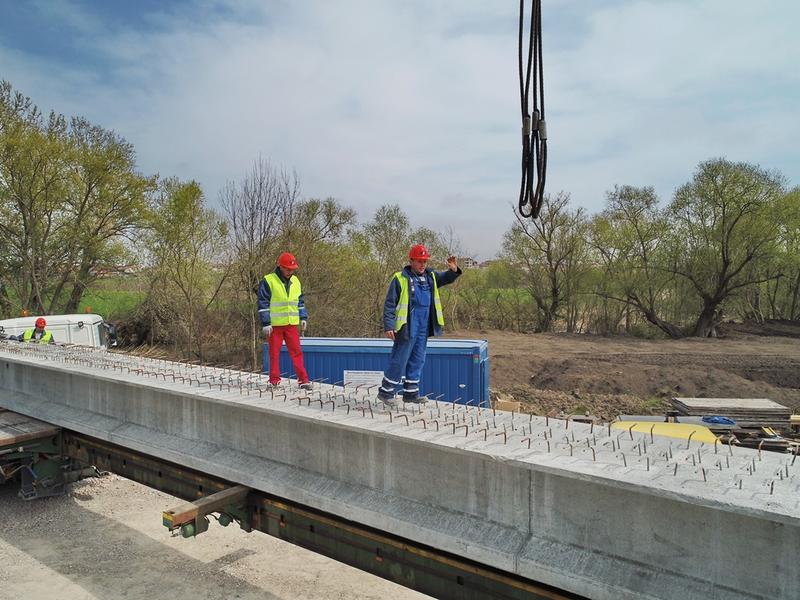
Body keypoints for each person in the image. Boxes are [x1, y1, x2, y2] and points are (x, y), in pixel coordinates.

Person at [378, 245, 461, 406]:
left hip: (424, 326)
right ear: (411, 261)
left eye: (425, 261)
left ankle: (411, 393)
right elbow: (389, 304)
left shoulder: (431, 276)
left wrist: (453, 270)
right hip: (407, 326)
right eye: (419, 261)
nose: (423, 264)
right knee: (399, 359)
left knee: (418, 359)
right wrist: (389, 326)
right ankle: (386, 392)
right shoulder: (400, 278)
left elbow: (447, 278)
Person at [258, 252, 312, 390]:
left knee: (297, 352)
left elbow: (299, 301)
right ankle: (274, 381)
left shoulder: (296, 281)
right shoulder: (268, 280)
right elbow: (263, 303)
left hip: (291, 324)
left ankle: (303, 380)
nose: (290, 271)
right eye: (287, 269)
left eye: (292, 269)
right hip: (275, 326)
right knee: (274, 354)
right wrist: (266, 322)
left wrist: (303, 317)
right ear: (280, 266)